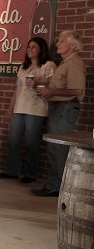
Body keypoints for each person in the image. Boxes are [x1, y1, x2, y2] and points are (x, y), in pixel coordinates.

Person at [32, 30, 86, 197]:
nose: (57, 44)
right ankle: (55, 186)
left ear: (72, 45)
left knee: (59, 149)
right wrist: (44, 85)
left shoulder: (74, 63)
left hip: (66, 108)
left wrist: (51, 90)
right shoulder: (66, 63)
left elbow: (77, 90)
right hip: (60, 108)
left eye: (61, 41)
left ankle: (61, 188)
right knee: (54, 148)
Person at [0, 38, 56, 184]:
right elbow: (17, 89)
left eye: (33, 47)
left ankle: (30, 173)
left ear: (41, 49)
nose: (30, 49)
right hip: (20, 107)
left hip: (36, 108)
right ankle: (12, 171)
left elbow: (54, 84)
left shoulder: (49, 65)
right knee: (13, 140)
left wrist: (38, 82)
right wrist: (10, 109)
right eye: (28, 47)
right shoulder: (24, 67)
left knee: (31, 142)